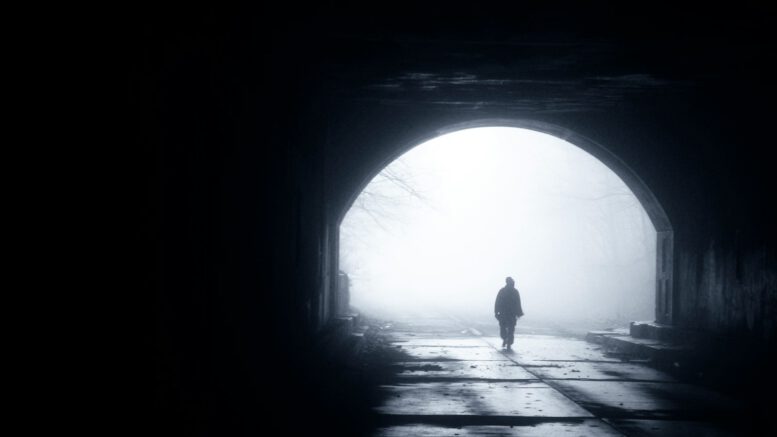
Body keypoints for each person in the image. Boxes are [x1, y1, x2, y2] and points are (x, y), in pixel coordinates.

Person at [494, 276, 523, 350]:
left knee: (503, 327)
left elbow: (497, 302)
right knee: (511, 328)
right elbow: (518, 303)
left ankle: (505, 339)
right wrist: (519, 312)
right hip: (511, 314)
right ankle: (509, 342)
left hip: (503, 313)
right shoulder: (515, 291)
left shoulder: (502, 291)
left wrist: (496, 312)